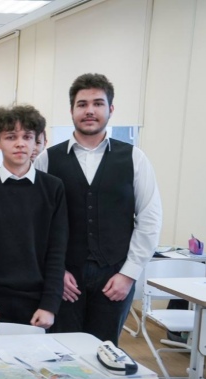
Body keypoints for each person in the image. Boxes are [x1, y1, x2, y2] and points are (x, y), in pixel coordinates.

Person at [35, 73, 162, 345]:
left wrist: (128, 274)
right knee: (61, 351)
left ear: (110, 109)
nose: (90, 110)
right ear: (71, 110)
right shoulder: (47, 159)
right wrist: (55, 272)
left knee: (105, 352)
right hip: (65, 277)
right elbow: (37, 223)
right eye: (82, 104)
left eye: (98, 103)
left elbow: (150, 219)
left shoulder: (134, 158)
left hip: (115, 276)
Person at [0, 105, 68, 330]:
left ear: (36, 142)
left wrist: (50, 305)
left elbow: (57, 251)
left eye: (27, 137)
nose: (20, 143)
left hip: (39, 302)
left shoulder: (53, 188)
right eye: (11, 137)